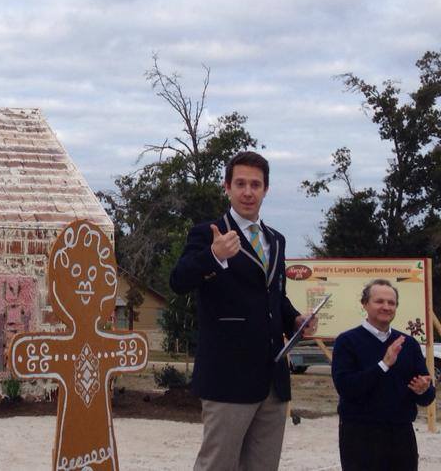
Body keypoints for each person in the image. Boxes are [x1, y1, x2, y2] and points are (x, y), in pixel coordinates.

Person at [170, 151, 316, 471]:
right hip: (227, 376)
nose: (248, 191)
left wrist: (295, 319)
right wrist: (213, 254)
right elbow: (178, 281)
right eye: (240, 184)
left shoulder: (276, 240)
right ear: (227, 187)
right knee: (218, 465)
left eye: (256, 184)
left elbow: (273, 296)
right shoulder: (208, 232)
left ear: (266, 189)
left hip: (273, 380)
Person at [332, 279, 436, 471]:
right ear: (364, 304)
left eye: (391, 303)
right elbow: (347, 388)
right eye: (379, 301)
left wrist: (423, 390)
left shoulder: (408, 344)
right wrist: (383, 364)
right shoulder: (347, 341)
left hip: (401, 434)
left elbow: (427, 396)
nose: (386, 307)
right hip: (359, 434)